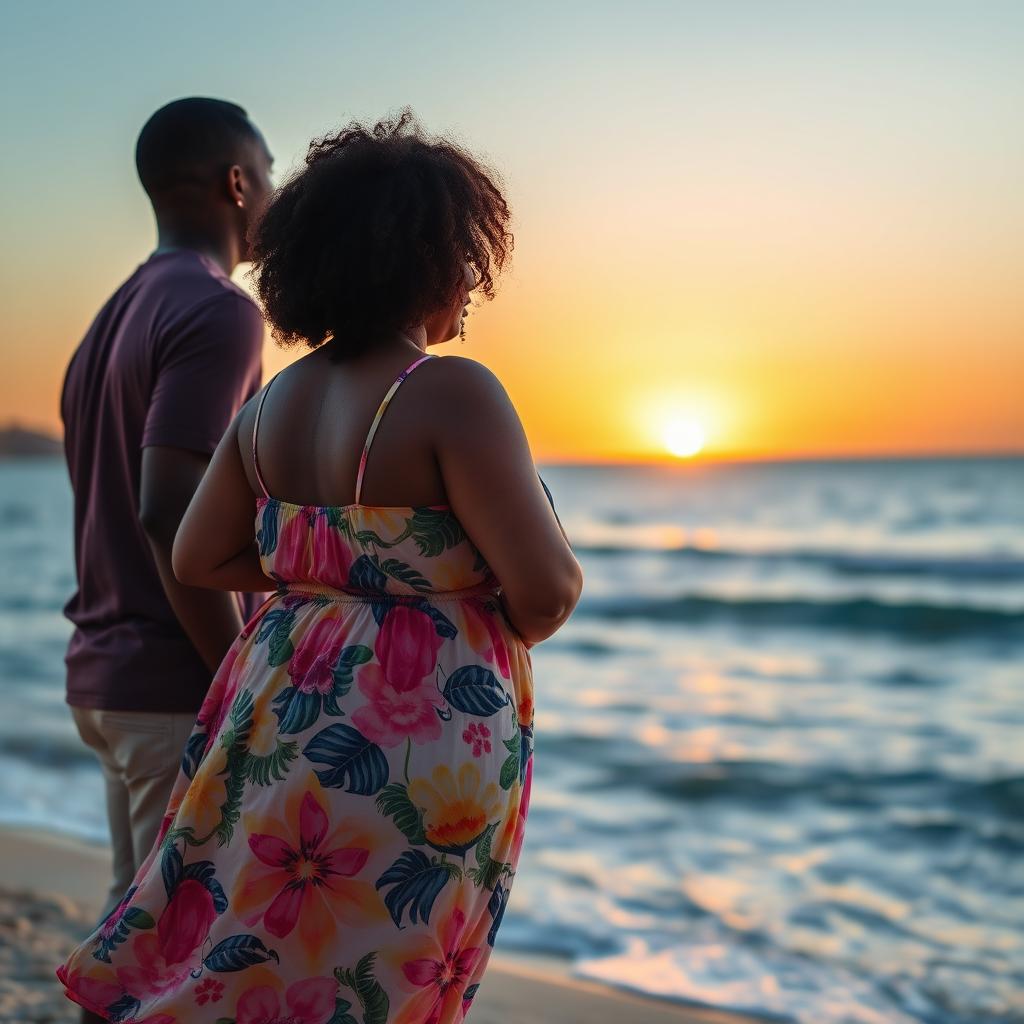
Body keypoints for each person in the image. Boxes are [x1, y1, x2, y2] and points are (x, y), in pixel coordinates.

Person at [58, 111, 582, 1024]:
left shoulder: (275, 404)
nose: (470, 284)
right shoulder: (450, 391)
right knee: (382, 977)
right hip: (414, 743)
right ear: (431, 257)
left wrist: (332, 588)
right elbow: (546, 593)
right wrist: (423, 591)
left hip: (284, 708)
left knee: (280, 960)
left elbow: (200, 553)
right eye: (463, 256)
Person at [60, 97, 274, 939]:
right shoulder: (222, 310)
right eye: (267, 176)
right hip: (174, 683)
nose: (272, 197)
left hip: (107, 676)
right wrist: (236, 681)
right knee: (172, 950)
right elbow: (166, 508)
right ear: (235, 181)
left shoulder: (111, 317)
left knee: (129, 933)